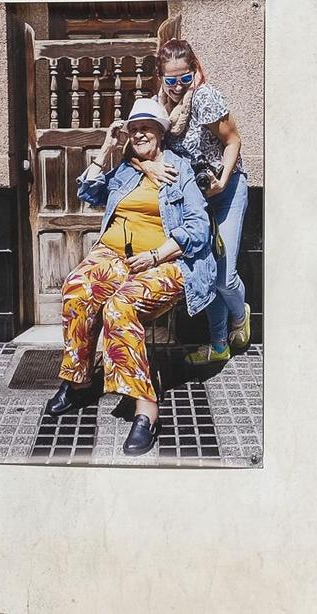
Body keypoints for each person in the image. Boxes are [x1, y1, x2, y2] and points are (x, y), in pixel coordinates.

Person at [42, 97, 218, 456]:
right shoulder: (126, 168)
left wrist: (157, 253)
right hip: (114, 255)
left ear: (160, 134)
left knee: (120, 308)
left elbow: (199, 229)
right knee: (77, 289)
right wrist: (107, 148)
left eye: (146, 128)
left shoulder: (179, 169)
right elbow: (88, 192)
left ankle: (146, 410)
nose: (138, 134)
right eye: (133, 128)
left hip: (166, 261)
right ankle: (77, 382)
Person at [154, 38, 250, 368]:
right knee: (206, 273)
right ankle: (219, 344)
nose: (179, 86)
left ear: (194, 70)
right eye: (171, 80)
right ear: (161, 77)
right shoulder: (160, 106)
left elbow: (232, 140)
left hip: (226, 190)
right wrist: (149, 165)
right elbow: (141, 146)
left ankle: (241, 316)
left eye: (185, 77)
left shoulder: (205, 97)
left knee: (224, 276)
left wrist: (222, 180)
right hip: (194, 198)